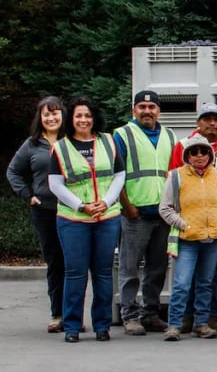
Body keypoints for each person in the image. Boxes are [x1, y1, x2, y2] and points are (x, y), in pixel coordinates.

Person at [48, 96, 126, 342]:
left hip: (107, 217)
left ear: (94, 118)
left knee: (103, 273)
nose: (84, 120)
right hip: (73, 219)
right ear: (71, 119)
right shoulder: (61, 147)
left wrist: (107, 201)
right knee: (75, 273)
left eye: (88, 115)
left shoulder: (109, 142)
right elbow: (55, 184)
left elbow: (119, 175)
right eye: (79, 115)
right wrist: (81, 206)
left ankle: (102, 326)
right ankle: (72, 326)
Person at [159, 136, 217, 341]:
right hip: (188, 240)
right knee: (182, 283)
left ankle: (201, 324)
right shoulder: (176, 176)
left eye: (204, 151)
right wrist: (184, 224)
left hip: (214, 239)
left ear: (210, 154)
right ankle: (174, 325)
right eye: (194, 152)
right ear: (187, 155)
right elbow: (165, 208)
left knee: (206, 283)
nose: (199, 155)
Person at [113, 90, 177, 336]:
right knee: (130, 268)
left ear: (158, 111)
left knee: (157, 268)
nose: (147, 111)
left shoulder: (169, 136)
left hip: (162, 214)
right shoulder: (122, 135)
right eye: (142, 107)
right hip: (135, 214)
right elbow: (116, 175)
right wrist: (127, 206)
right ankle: (130, 315)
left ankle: (150, 313)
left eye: (152, 108)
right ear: (134, 110)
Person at [6, 96, 65, 333]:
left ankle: (73, 314)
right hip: (45, 212)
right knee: (55, 263)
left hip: (74, 211)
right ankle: (57, 314)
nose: (51, 118)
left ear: (63, 115)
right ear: (40, 118)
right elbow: (13, 172)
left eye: (55, 113)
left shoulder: (72, 141)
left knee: (75, 264)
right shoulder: (32, 144)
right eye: (46, 114)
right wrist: (28, 195)